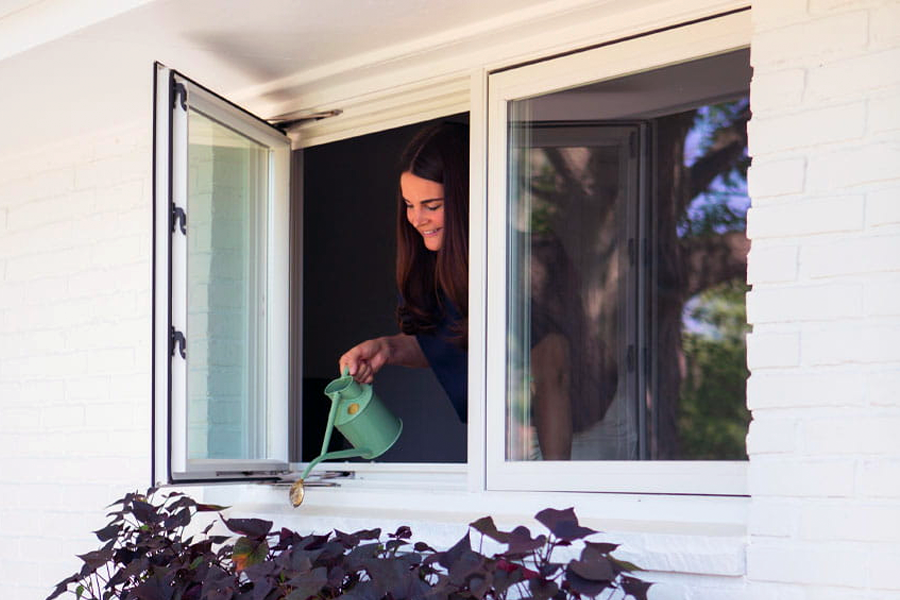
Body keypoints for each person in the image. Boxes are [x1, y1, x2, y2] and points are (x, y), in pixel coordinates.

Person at [339, 122, 470, 422]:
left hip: (528, 439)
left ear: (466, 199)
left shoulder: (510, 262)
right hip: (486, 437)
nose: (416, 219)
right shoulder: (425, 266)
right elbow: (438, 342)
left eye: (432, 205)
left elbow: (551, 367)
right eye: (409, 205)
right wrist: (387, 348)